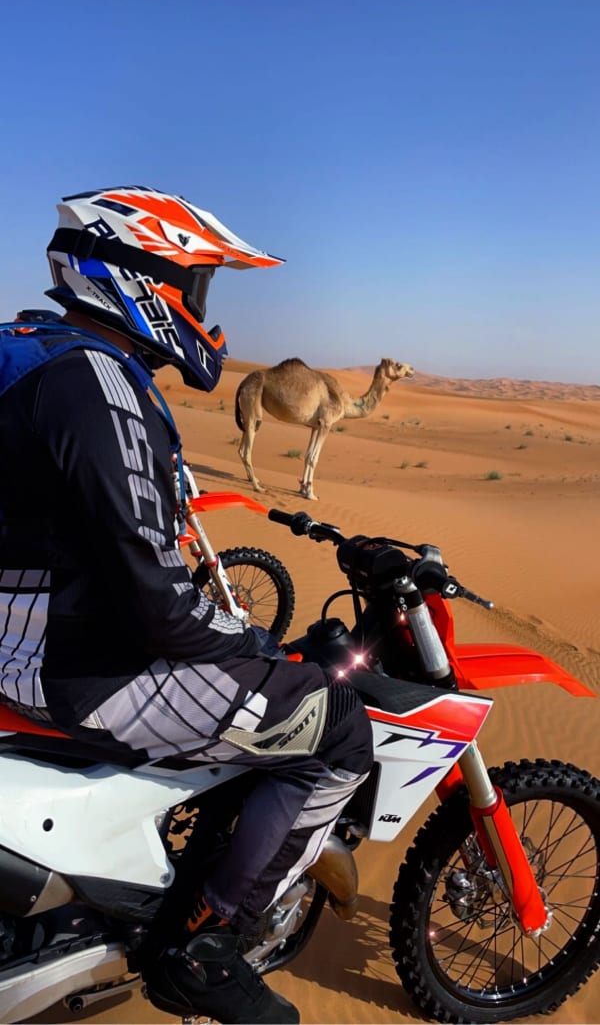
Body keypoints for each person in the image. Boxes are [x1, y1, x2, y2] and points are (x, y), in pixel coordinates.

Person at [0, 187, 373, 1024]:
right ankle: (199, 947)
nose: (202, 313)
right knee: (335, 726)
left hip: (23, 633)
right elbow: (163, 609)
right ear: (134, 275)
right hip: (78, 666)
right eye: (192, 286)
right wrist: (258, 646)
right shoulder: (95, 382)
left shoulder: (24, 349)